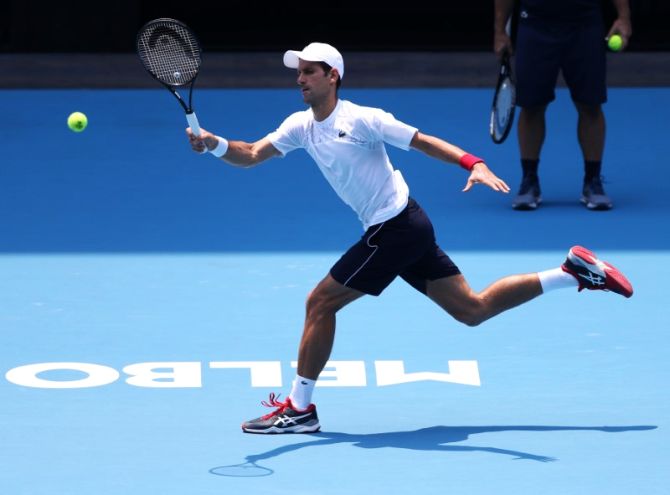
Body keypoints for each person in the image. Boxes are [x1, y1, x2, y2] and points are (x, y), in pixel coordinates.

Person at [186, 42, 634, 434]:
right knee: (471, 310)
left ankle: (300, 410)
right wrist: (215, 144)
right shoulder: (300, 126)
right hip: (406, 224)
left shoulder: (363, 119)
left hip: (394, 228)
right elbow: (251, 155)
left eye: (309, 71)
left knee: (320, 302)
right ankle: (569, 272)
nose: (300, 78)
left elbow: (422, 141)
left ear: (332, 76)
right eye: (298, 71)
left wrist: (472, 162)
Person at [493, 0, 633, 210]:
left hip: (585, 25)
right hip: (535, 24)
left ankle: (592, 182)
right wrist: (500, 31)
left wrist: (624, 17)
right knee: (531, 107)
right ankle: (529, 181)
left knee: (590, 105)